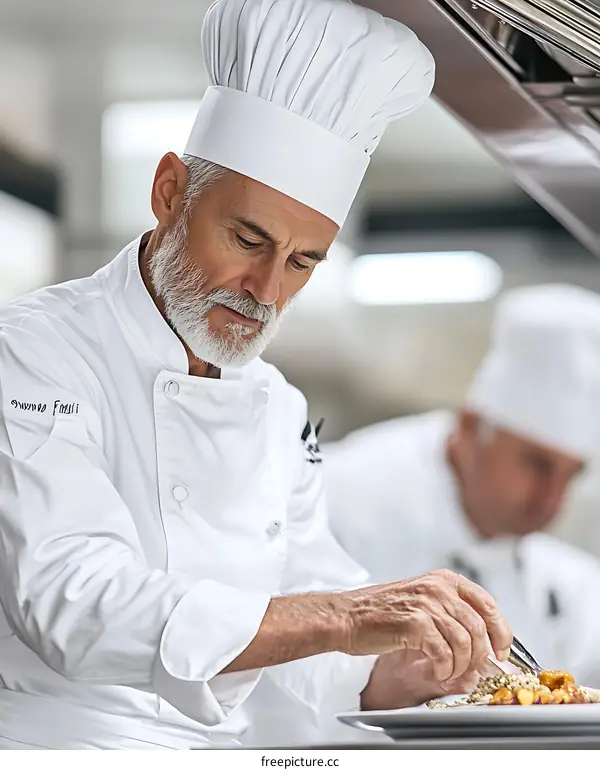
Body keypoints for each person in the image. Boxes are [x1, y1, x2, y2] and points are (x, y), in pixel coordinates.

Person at [0, 0, 513, 751]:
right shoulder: (34, 351)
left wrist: (415, 665)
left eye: (303, 262)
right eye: (248, 238)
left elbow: (315, 646)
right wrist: (344, 617)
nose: (266, 291)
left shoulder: (276, 406)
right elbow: (74, 601)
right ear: (170, 192)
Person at [325, 283, 600, 688]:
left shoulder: (565, 578)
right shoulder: (342, 494)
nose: (552, 500)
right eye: (537, 465)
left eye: (570, 475)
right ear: (471, 428)